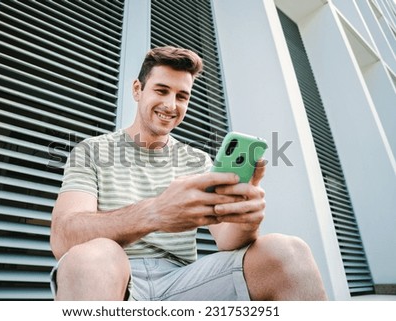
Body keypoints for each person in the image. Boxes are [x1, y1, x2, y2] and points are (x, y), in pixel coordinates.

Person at [49, 46, 328, 301]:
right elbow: (64, 237)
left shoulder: (197, 161)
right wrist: (155, 212)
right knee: (93, 256)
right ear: (137, 89)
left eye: (182, 96)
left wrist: (246, 220)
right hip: (113, 274)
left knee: (289, 250)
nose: (171, 105)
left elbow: (227, 240)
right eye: (161, 91)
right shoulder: (91, 151)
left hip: (183, 282)